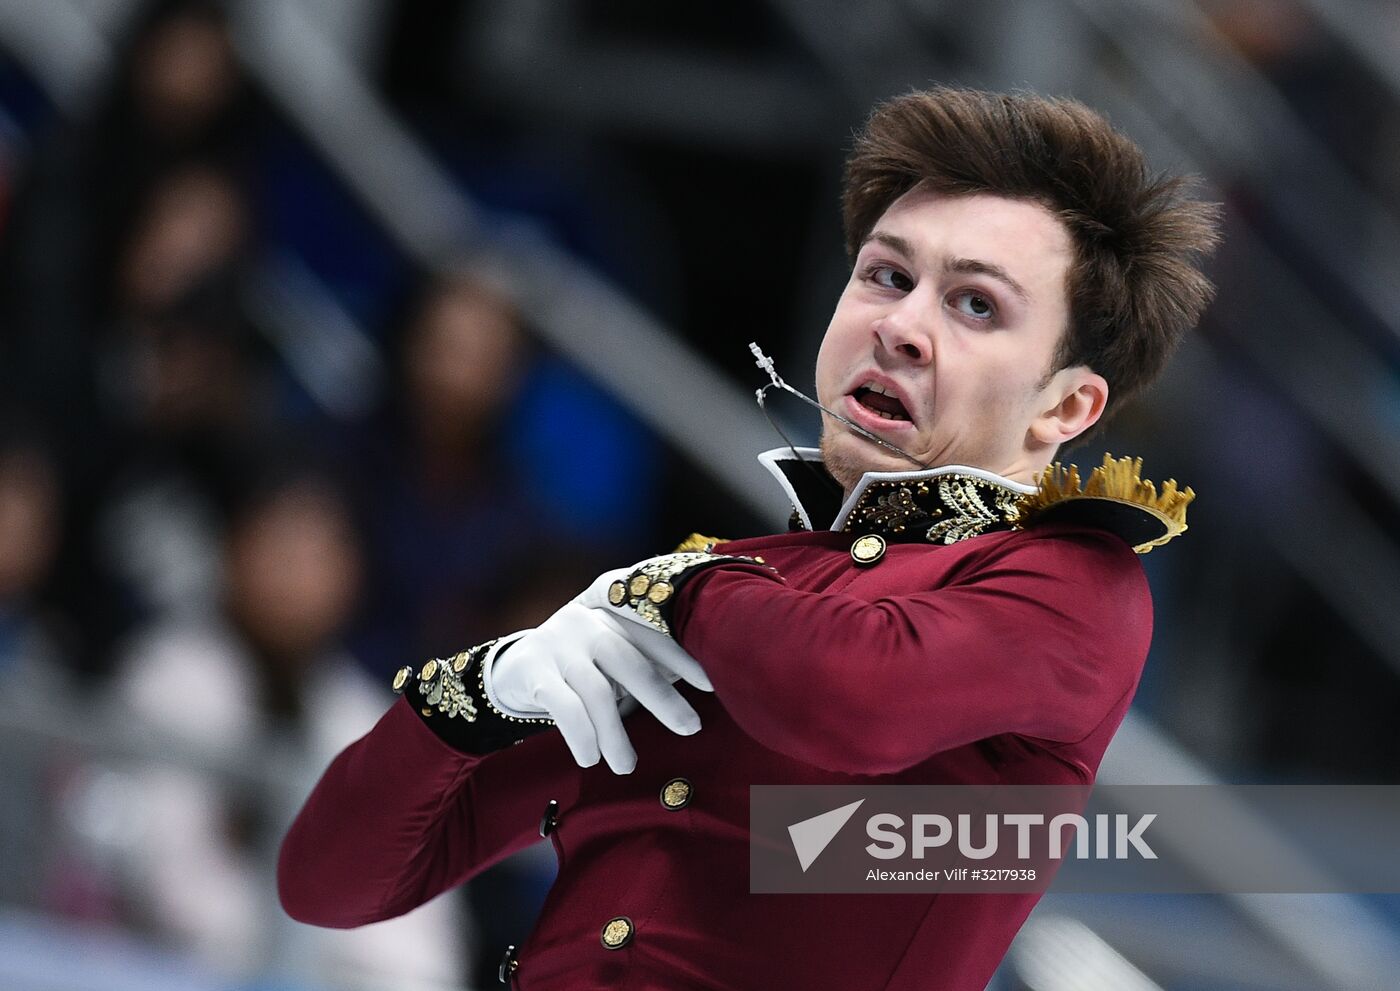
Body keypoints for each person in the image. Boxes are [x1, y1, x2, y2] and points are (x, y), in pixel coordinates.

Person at [277, 87, 1220, 990]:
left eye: (975, 304)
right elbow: (328, 882)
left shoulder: (1070, 582)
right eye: (887, 275)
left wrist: (668, 592)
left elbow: (851, 695)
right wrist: (476, 695)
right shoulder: (734, 591)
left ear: (1068, 404)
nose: (900, 327)